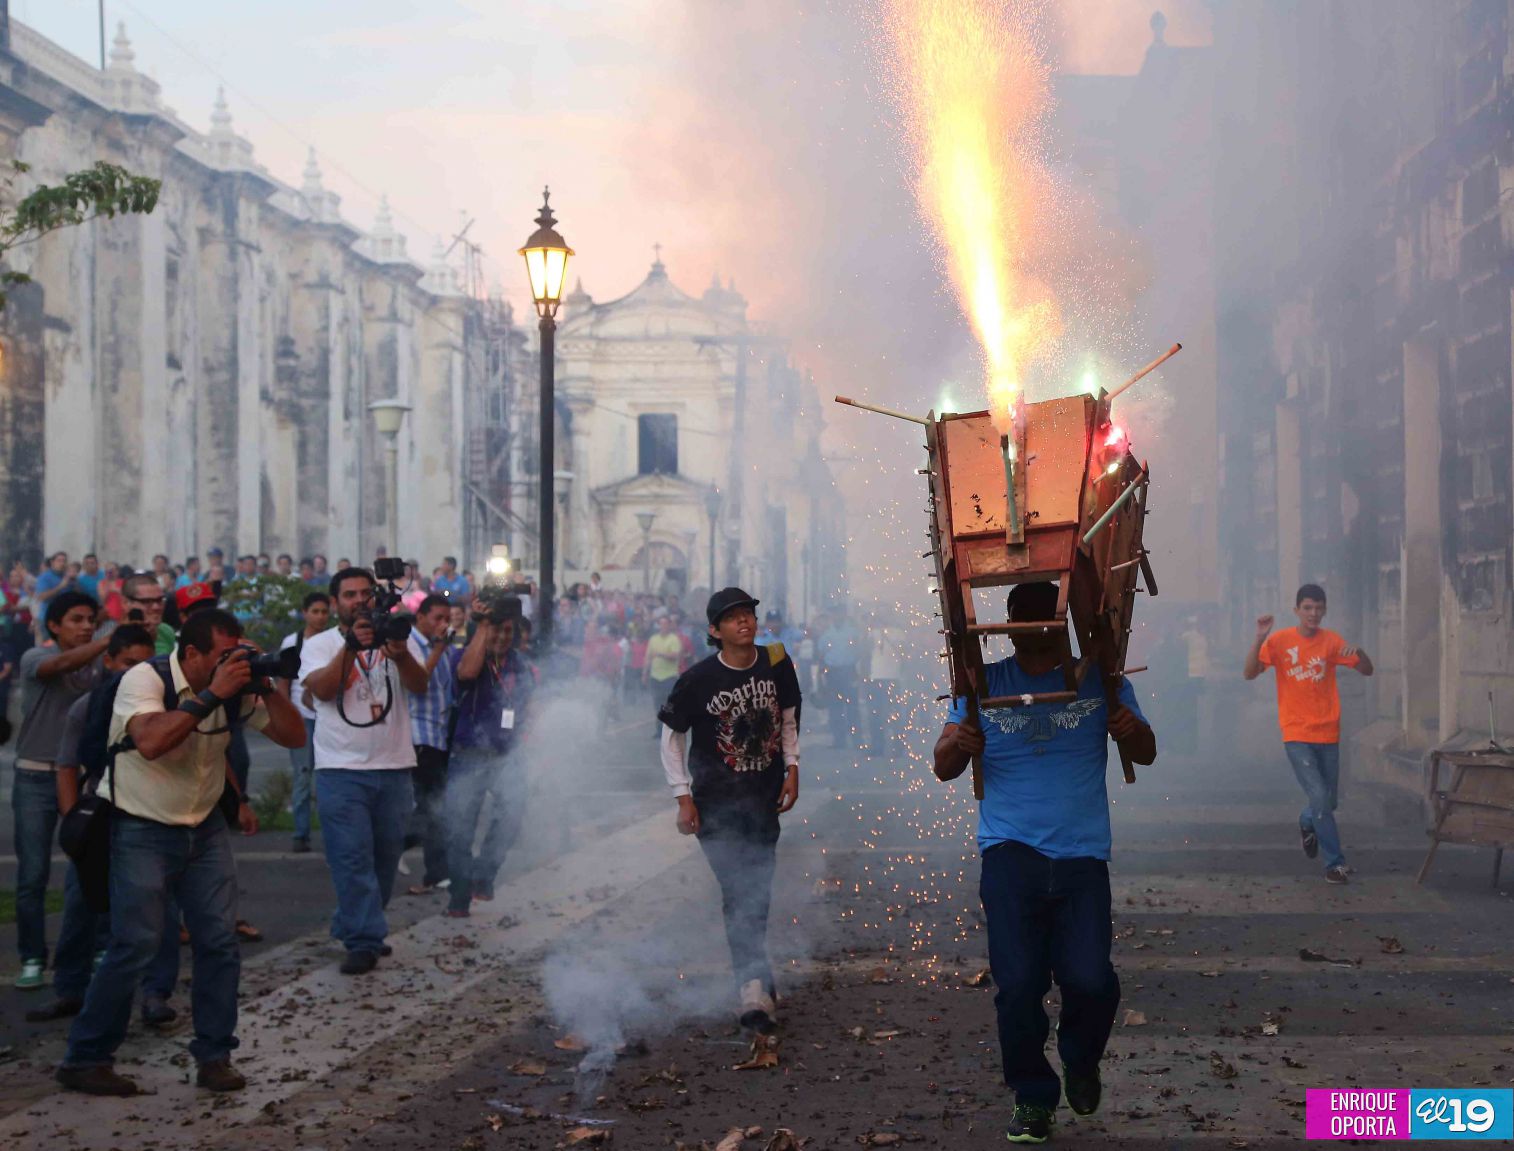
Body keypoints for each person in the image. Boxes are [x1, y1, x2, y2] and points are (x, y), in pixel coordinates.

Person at [932, 581, 1156, 1143]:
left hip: (1081, 856)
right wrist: (961, 740)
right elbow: (943, 765)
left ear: (1061, 626)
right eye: (1023, 626)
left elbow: (1146, 751)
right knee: (1019, 985)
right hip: (1010, 854)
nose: (1034, 636)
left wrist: (1131, 730)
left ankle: (1081, 1059)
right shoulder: (982, 684)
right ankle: (1032, 1096)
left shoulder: (1100, 681)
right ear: (1006, 627)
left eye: (1044, 626)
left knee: (1091, 978)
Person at [57, 609, 305, 1096]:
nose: (231, 663)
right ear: (191, 654)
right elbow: (150, 741)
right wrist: (215, 693)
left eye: (237, 653)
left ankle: (215, 1056)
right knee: (136, 944)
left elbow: (294, 737)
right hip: (139, 824)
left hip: (204, 824)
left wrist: (266, 681)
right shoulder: (143, 679)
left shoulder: (236, 690)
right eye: (222, 655)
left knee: (218, 942)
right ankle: (85, 1058)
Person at [658, 587, 801, 1033]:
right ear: (714, 631)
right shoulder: (697, 679)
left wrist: (792, 768)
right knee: (739, 889)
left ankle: (757, 983)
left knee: (755, 888)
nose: (745, 622)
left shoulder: (775, 662)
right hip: (715, 802)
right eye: (733, 617)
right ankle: (753, 989)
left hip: (762, 797)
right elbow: (671, 739)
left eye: (749, 615)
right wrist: (683, 797)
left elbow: (789, 719)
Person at [25, 626, 182, 1028]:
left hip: (148, 814)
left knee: (156, 909)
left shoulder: (162, 707)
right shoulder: (88, 706)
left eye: (145, 665)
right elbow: (66, 766)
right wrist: (73, 822)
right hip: (100, 814)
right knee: (80, 906)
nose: (135, 673)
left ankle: (154, 993)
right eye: (128, 663)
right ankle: (70, 990)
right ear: (108, 662)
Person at [299, 567, 429, 975]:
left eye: (364, 593)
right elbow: (320, 690)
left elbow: (420, 685)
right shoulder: (320, 644)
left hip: (393, 765)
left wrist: (401, 652)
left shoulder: (396, 635)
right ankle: (363, 939)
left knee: (385, 858)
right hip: (341, 768)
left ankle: (356, 923)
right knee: (351, 857)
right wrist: (351, 648)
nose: (358, 600)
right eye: (349, 594)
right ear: (336, 602)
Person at [1243, 583, 1373, 885]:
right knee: (1318, 796)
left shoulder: (1331, 642)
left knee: (1329, 802)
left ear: (1325, 609)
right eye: (1307, 608)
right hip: (1297, 734)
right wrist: (1260, 638)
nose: (1313, 613)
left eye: (1318, 608)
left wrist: (1361, 653)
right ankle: (1334, 864)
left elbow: (1366, 670)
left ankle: (1306, 821)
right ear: (1297, 610)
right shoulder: (1280, 641)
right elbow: (1249, 673)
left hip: (1329, 733)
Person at [12, 590, 107, 990]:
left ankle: (98, 946)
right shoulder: (36, 657)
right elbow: (62, 665)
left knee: (91, 866)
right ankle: (32, 956)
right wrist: (107, 640)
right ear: (54, 625)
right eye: (77, 620)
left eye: (91, 620)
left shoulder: (100, 665)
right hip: (35, 777)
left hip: (79, 777)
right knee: (33, 875)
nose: (85, 627)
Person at [443, 599, 536, 915]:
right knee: (461, 829)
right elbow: (467, 673)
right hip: (468, 755)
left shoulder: (519, 664)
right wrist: (482, 625)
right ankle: (459, 897)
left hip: (505, 755)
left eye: (507, 631)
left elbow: (527, 704)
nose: (501, 638)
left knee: (512, 813)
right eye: (496, 630)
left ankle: (484, 874)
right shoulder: (466, 654)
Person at [404, 594, 459, 894]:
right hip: (418, 735)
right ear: (421, 616)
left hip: (437, 736)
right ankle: (435, 870)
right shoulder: (411, 645)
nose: (443, 624)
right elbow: (417, 682)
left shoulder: (443, 649)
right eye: (437, 618)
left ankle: (432, 867)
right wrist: (438, 649)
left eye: (446, 618)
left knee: (433, 806)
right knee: (431, 807)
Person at [279, 592, 331, 853]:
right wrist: (284, 713)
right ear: (305, 613)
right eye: (315, 611)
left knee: (327, 776)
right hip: (301, 716)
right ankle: (301, 834)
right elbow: (284, 682)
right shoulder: (293, 642)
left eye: (324, 612)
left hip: (326, 717)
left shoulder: (335, 641)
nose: (320, 616)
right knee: (302, 775)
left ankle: (329, 831)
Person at [817, 606, 862, 747]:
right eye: (835, 613)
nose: (837, 616)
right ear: (832, 615)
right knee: (835, 708)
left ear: (844, 614)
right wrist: (821, 676)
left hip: (849, 671)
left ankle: (857, 740)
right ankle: (839, 740)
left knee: (852, 708)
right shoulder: (826, 634)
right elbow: (821, 655)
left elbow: (860, 652)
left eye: (840, 613)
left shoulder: (853, 633)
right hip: (833, 673)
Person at [644, 613, 683, 737]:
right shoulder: (653, 639)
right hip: (655, 676)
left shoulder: (674, 639)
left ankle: (669, 728)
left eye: (666, 624)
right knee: (657, 703)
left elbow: (675, 656)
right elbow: (648, 657)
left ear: (669, 625)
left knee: (668, 704)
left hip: (669, 676)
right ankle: (659, 729)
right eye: (661, 624)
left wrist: (661, 654)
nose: (663, 626)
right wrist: (644, 673)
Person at [121, 573, 177, 655]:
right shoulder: (111, 638)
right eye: (146, 601)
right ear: (126, 603)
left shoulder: (166, 631)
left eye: (159, 600)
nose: (156, 607)